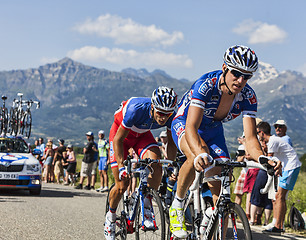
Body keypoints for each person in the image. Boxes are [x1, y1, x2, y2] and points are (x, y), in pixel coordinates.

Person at [169, 45, 281, 239]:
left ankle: (212, 221)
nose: (240, 80)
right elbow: (191, 128)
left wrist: (262, 158)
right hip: (186, 124)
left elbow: (251, 138)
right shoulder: (205, 85)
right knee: (197, 153)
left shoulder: (248, 96)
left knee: (221, 187)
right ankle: (177, 205)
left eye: (247, 77)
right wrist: (201, 153)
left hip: (213, 130)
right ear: (224, 68)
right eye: (236, 74)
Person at [104, 86, 178, 240]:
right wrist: (122, 166)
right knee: (121, 185)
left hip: (142, 136)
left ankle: (147, 201)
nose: (164, 117)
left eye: (168, 114)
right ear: (152, 106)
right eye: (160, 113)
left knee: (156, 162)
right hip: (120, 136)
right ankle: (110, 217)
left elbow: (171, 143)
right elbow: (118, 140)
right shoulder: (135, 109)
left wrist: (171, 165)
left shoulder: (171, 115)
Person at [256, 122, 301, 234]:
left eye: (257, 133)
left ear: (262, 133)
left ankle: (278, 226)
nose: (257, 136)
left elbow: (268, 160)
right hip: (287, 167)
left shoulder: (272, 141)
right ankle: (278, 225)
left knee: (279, 196)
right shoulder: (273, 141)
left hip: (291, 166)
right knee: (279, 197)